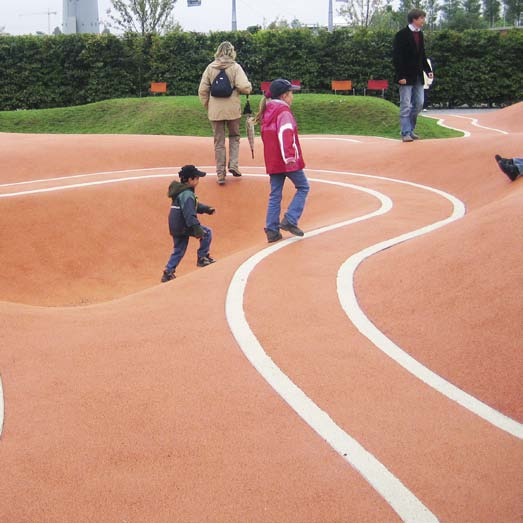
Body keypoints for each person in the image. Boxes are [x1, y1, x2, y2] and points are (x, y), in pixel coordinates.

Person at [254, 78, 310, 243]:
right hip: (287, 160)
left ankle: (271, 230)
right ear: (285, 95)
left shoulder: (268, 111)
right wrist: (290, 157)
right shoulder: (283, 112)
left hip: (273, 160)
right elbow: (286, 133)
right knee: (303, 187)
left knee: (275, 194)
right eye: (291, 93)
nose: (292, 96)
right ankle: (290, 219)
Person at [198, 41, 252, 185]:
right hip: (232, 110)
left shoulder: (210, 67)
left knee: (219, 142)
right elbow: (245, 87)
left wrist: (208, 106)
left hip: (215, 110)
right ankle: (233, 164)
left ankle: (220, 174)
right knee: (234, 136)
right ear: (232, 52)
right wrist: (246, 87)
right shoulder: (235, 67)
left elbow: (202, 90)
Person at [161, 165, 216, 283]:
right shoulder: (187, 194)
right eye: (197, 178)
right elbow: (189, 213)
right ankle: (202, 257)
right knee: (207, 233)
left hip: (175, 225)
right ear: (190, 180)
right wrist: (197, 229)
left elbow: (193, 206)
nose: (198, 181)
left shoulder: (181, 192)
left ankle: (168, 271)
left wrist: (206, 209)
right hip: (183, 224)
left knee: (179, 249)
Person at [393, 9, 434, 142]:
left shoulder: (420, 34)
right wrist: (400, 76)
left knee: (419, 103)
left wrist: (427, 70)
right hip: (405, 76)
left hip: (418, 75)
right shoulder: (401, 35)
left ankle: (410, 129)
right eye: (421, 18)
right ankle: (405, 132)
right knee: (406, 105)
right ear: (414, 19)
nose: (423, 21)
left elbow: (422, 54)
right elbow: (397, 57)